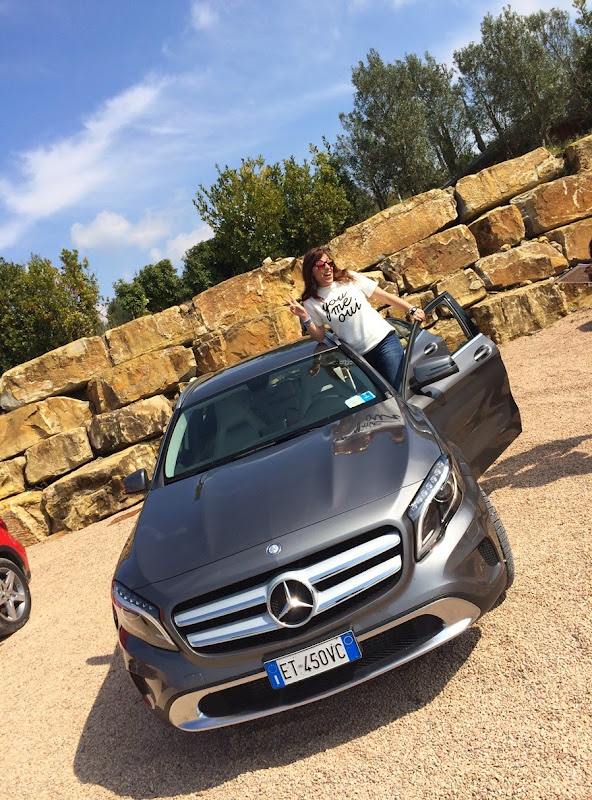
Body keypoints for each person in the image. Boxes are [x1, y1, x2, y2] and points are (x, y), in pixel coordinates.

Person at [285, 246, 425, 391]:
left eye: (329, 262)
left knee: (401, 390)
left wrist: (411, 309)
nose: (327, 267)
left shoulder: (348, 278)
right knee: (382, 397)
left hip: (384, 342)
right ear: (311, 271)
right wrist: (305, 317)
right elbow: (320, 336)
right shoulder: (311, 301)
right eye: (320, 265)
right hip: (360, 358)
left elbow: (383, 296)